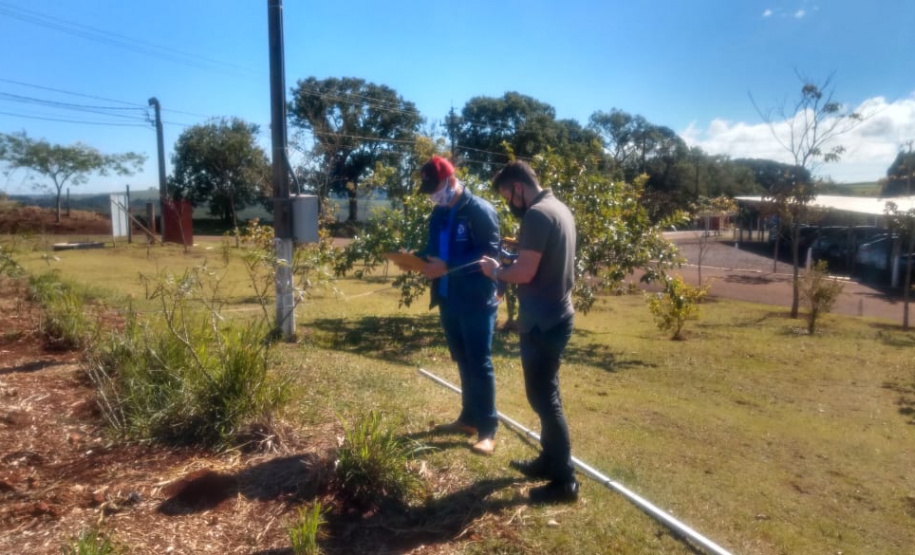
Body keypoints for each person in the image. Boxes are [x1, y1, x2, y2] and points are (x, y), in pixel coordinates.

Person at [479, 160, 579, 504]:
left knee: (544, 399)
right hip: (556, 314)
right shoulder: (559, 208)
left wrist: (495, 271)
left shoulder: (537, 215)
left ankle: (565, 480)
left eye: (508, 194)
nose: (509, 202)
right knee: (544, 395)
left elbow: (523, 273)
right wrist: (511, 264)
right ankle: (548, 461)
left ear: (518, 187)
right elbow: (536, 265)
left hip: (543, 321)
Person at [415, 155, 501, 456]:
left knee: (480, 362)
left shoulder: (480, 211)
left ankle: (488, 430)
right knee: (462, 360)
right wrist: (416, 259)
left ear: (451, 181)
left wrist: (447, 266)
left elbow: (490, 255)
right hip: (448, 298)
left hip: (477, 299)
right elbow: (432, 248)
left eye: (435, 188)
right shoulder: (438, 213)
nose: (433, 196)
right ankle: (468, 419)